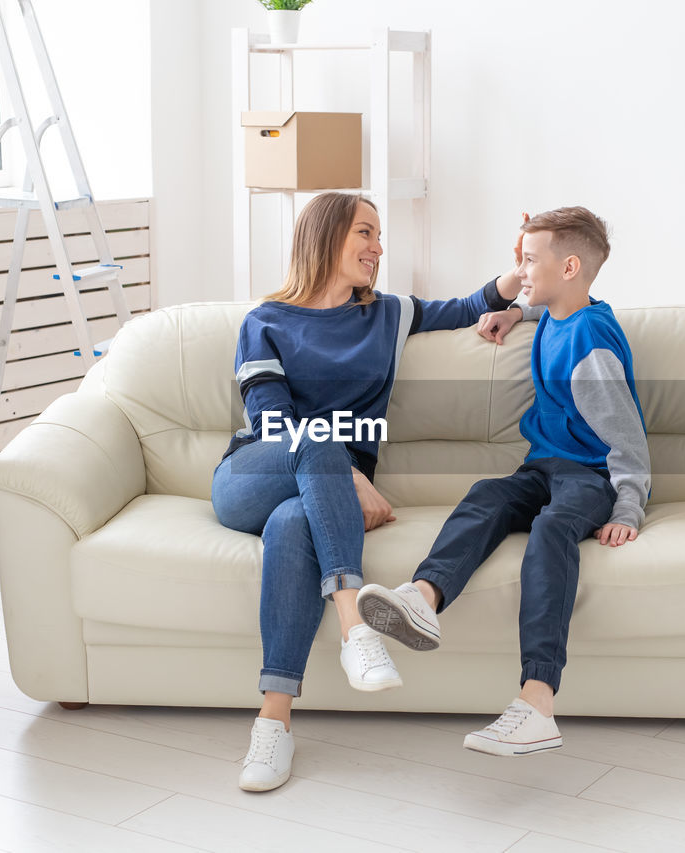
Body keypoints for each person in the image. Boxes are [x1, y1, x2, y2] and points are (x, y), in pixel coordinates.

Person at [213, 192, 526, 791]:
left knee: (291, 526)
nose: (378, 248)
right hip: (253, 473)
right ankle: (357, 629)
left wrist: (515, 281)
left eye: (380, 236)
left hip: (314, 500)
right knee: (317, 440)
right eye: (365, 233)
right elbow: (273, 421)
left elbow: (469, 307)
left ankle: (273, 722)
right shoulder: (266, 321)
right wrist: (351, 474)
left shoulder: (388, 314)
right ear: (326, 237)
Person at [356, 206, 651, 756]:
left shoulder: (593, 345)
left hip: (590, 478)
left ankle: (537, 701)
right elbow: (559, 315)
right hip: (542, 466)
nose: (519, 270)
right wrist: (517, 313)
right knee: (487, 496)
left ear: (567, 268)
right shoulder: (567, 315)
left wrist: (627, 508)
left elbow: (626, 438)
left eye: (529, 260)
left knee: (551, 532)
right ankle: (423, 597)